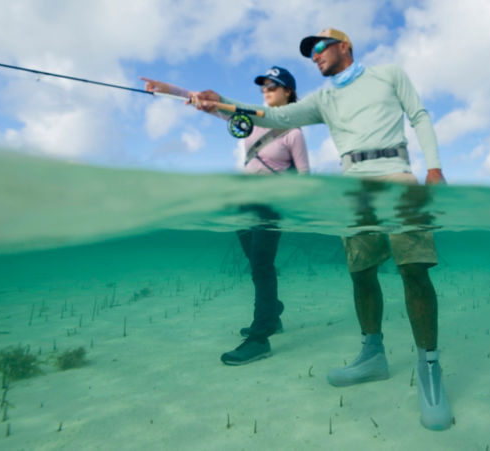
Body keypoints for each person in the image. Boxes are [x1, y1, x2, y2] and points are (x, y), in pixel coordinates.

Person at [192, 28, 452, 431]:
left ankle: (430, 369)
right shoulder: (323, 99)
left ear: (344, 46)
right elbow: (273, 116)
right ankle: (373, 355)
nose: (313, 56)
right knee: (361, 274)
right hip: (353, 188)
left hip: (397, 176)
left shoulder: (389, 74)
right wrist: (221, 105)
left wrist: (433, 167)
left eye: (318, 47)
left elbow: (418, 115)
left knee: (413, 270)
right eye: (309, 52)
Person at [141, 67, 309, 365]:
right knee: (255, 263)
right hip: (244, 204)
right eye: (264, 86)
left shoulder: (293, 133)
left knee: (261, 265)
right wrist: (166, 88)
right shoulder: (251, 118)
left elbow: (305, 178)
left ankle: (260, 337)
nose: (266, 89)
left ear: (289, 92)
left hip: (271, 207)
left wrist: (295, 207)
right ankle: (273, 311)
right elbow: (207, 103)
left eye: (274, 85)